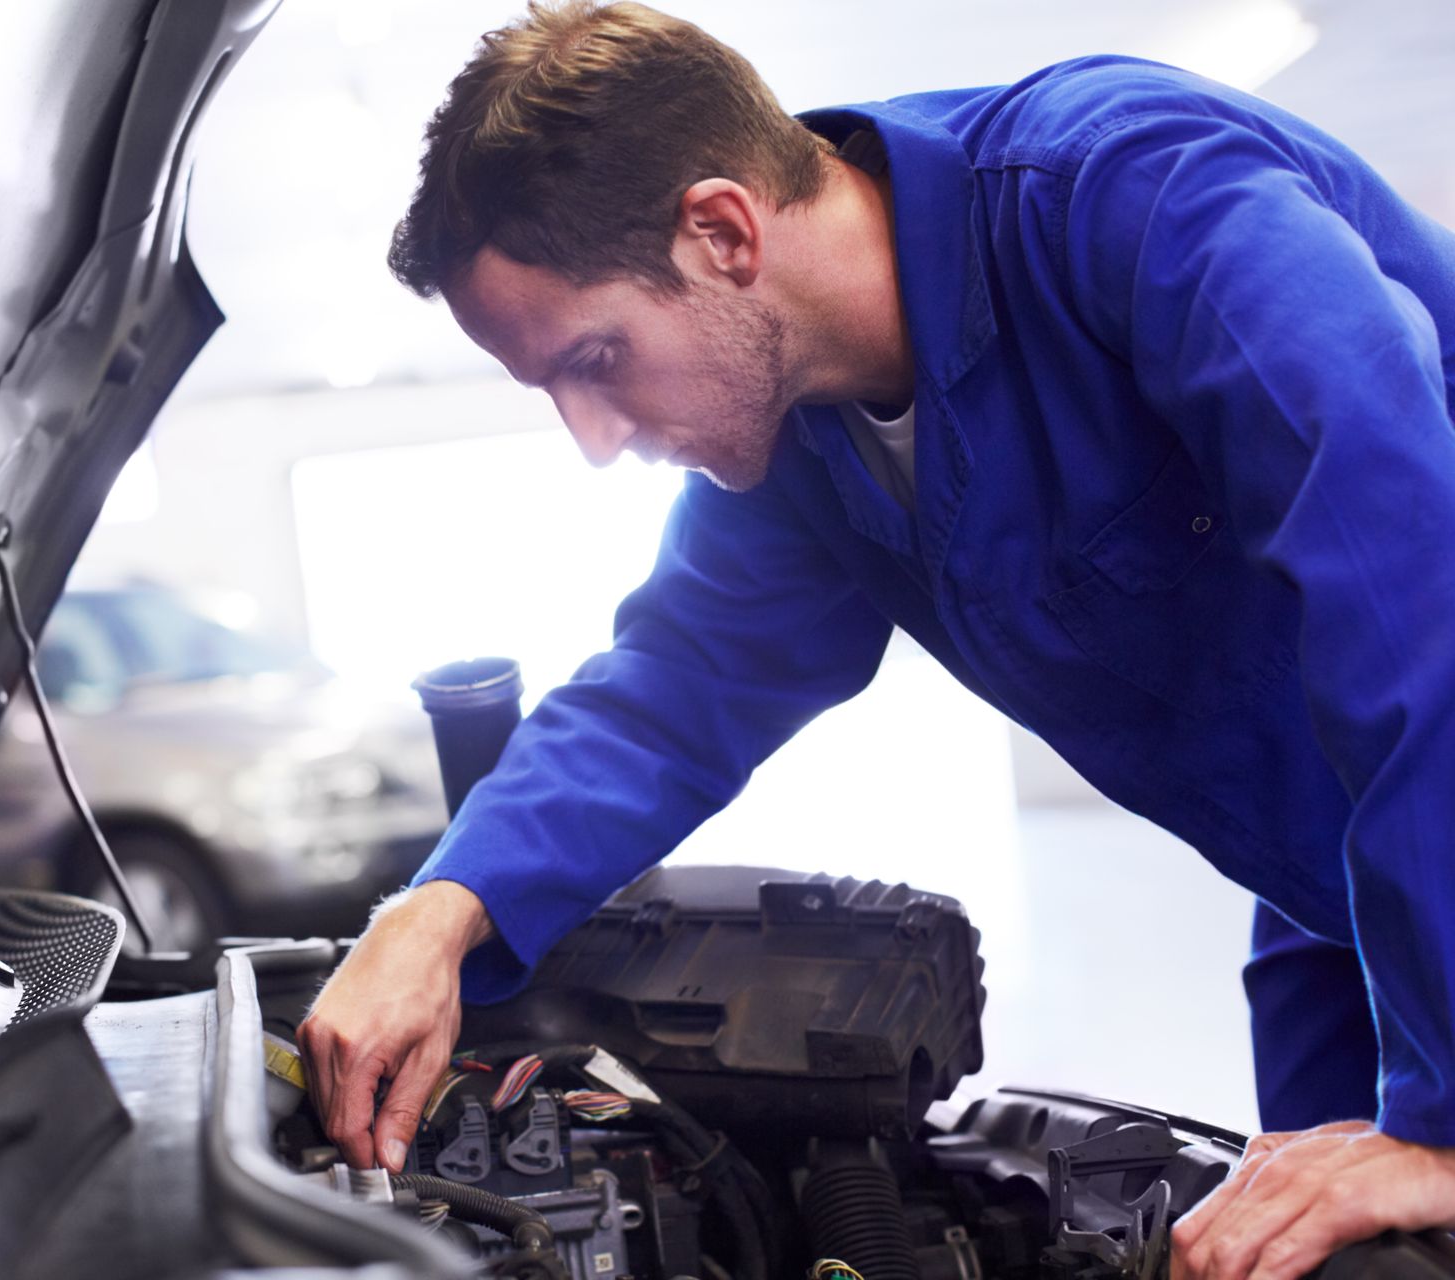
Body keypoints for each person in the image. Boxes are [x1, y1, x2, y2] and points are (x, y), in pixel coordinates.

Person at [294, 4, 1455, 1276]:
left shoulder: (1138, 195)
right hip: (1352, 892)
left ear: (723, 230)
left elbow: (1413, 590)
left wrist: (1444, 1125)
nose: (595, 435)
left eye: (599, 358)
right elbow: (676, 686)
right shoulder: (806, 448)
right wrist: (442, 907)